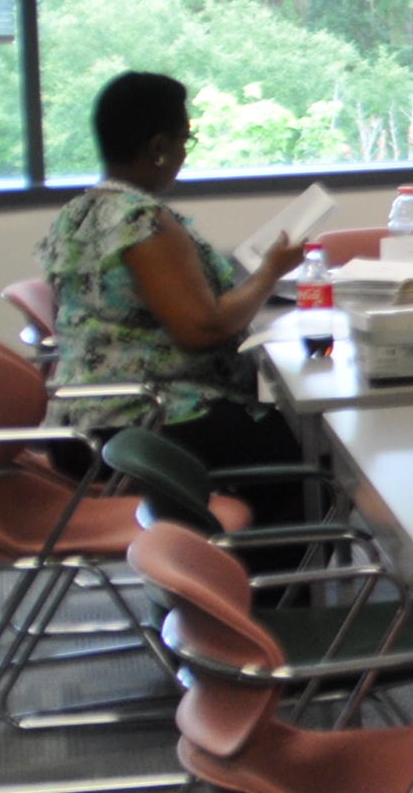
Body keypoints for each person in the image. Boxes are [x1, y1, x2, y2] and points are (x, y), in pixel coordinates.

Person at [36, 71, 309, 512]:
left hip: (86, 416)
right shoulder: (142, 222)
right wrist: (270, 272)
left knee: (285, 427)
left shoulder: (82, 210)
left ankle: (244, 566)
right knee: (309, 447)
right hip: (143, 418)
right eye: (185, 139)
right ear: (158, 147)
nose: (185, 153)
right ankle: (274, 579)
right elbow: (202, 330)